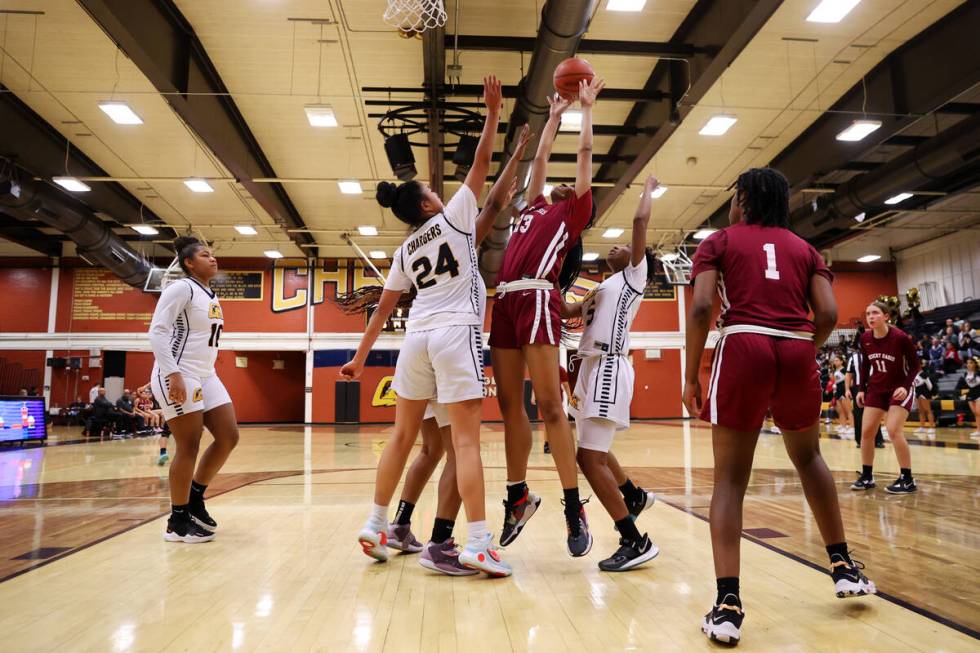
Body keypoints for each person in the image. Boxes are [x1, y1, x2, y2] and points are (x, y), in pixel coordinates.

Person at [340, 77, 526, 577]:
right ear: (427, 205)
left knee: (402, 438)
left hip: (414, 340)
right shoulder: (455, 219)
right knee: (465, 443)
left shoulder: (404, 250)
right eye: (433, 191)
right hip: (455, 332)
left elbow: (382, 309)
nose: (443, 194)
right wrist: (491, 115)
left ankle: (377, 523)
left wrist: (360, 357)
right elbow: (483, 169)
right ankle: (480, 542)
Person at [683, 167, 875, 646]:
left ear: (744, 199)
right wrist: (803, 345)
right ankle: (843, 566)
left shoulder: (719, 241)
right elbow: (828, 314)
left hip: (744, 343)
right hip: (796, 346)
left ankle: (728, 604)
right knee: (809, 458)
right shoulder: (805, 249)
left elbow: (703, 307)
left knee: (729, 479)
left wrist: (690, 375)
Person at [489, 76, 606, 557]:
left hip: (538, 298)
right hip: (505, 301)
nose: (556, 185)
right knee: (508, 408)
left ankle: (573, 506)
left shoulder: (572, 213)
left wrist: (585, 110)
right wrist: (552, 118)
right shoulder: (532, 207)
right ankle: (518, 496)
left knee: (551, 407)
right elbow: (540, 161)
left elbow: (582, 160)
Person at [559, 174, 661, 572]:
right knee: (592, 450)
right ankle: (632, 495)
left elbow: (638, 226)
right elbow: (569, 311)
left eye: (624, 247)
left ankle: (635, 541)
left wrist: (647, 191)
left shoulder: (634, 277)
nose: (617, 246)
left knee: (589, 459)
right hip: (587, 368)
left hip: (608, 365)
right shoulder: (603, 287)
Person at [149, 236, 239, 543]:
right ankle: (177, 520)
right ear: (189, 263)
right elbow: (158, 330)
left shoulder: (210, 294)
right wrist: (171, 372)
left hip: (206, 374)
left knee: (228, 436)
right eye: (204, 255)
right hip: (180, 372)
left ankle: (196, 496)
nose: (212, 259)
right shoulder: (181, 288)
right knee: (189, 444)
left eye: (213, 255)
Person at [851, 301, 919, 494]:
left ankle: (907, 478)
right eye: (868, 314)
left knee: (893, 430)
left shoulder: (900, 337)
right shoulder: (865, 338)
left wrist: (905, 387)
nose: (870, 317)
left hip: (899, 388)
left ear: (886, 316)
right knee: (866, 432)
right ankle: (867, 476)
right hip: (876, 388)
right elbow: (865, 365)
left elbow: (915, 366)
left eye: (875, 313)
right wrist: (861, 389)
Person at [845, 347, 884, 449]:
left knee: (874, 413)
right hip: (857, 388)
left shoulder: (875, 355)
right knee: (858, 415)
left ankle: (878, 440)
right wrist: (847, 389)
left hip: (873, 387)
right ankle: (860, 440)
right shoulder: (853, 357)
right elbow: (848, 374)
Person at [955, 357, 980, 438]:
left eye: (971, 363)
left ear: (975, 364)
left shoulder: (979, 373)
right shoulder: (966, 374)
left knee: (978, 412)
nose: (968, 364)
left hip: (979, 393)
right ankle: (978, 430)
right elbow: (966, 385)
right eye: (968, 363)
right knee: (975, 413)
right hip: (971, 394)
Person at [913, 367, 938, 436]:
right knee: (920, 411)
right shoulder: (914, 374)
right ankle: (922, 427)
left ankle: (932, 427)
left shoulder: (924, 374)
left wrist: (928, 394)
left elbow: (930, 386)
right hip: (917, 393)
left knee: (928, 410)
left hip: (924, 394)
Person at [832, 356, 853, 437]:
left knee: (848, 410)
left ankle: (852, 427)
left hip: (844, 391)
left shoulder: (844, 370)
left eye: (837, 360)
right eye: (834, 360)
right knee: (840, 411)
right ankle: (843, 426)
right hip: (838, 391)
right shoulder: (835, 371)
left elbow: (850, 380)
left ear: (841, 361)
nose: (835, 362)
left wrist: (848, 389)